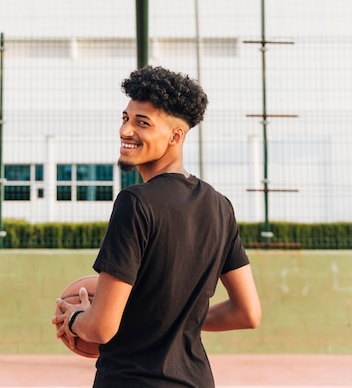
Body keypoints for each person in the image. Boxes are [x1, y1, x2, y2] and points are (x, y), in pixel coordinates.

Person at [53, 65, 261, 387]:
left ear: (175, 136)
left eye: (142, 123)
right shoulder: (221, 206)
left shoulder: (135, 203)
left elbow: (100, 328)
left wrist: (74, 319)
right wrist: (177, 319)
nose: (125, 131)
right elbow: (247, 313)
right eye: (125, 118)